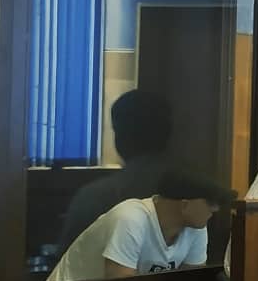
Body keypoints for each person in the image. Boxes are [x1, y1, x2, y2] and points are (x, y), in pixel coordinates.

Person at [40, 169, 233, 281]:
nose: (216, 208)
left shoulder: (196, 227)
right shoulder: (131, 219)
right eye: (210, 202)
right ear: (185, 204)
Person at [56, 89, 173, 255]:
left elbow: (68, 264)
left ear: (120, 136)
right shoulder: (198, 193)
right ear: (168, 132)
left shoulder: (95, 198)